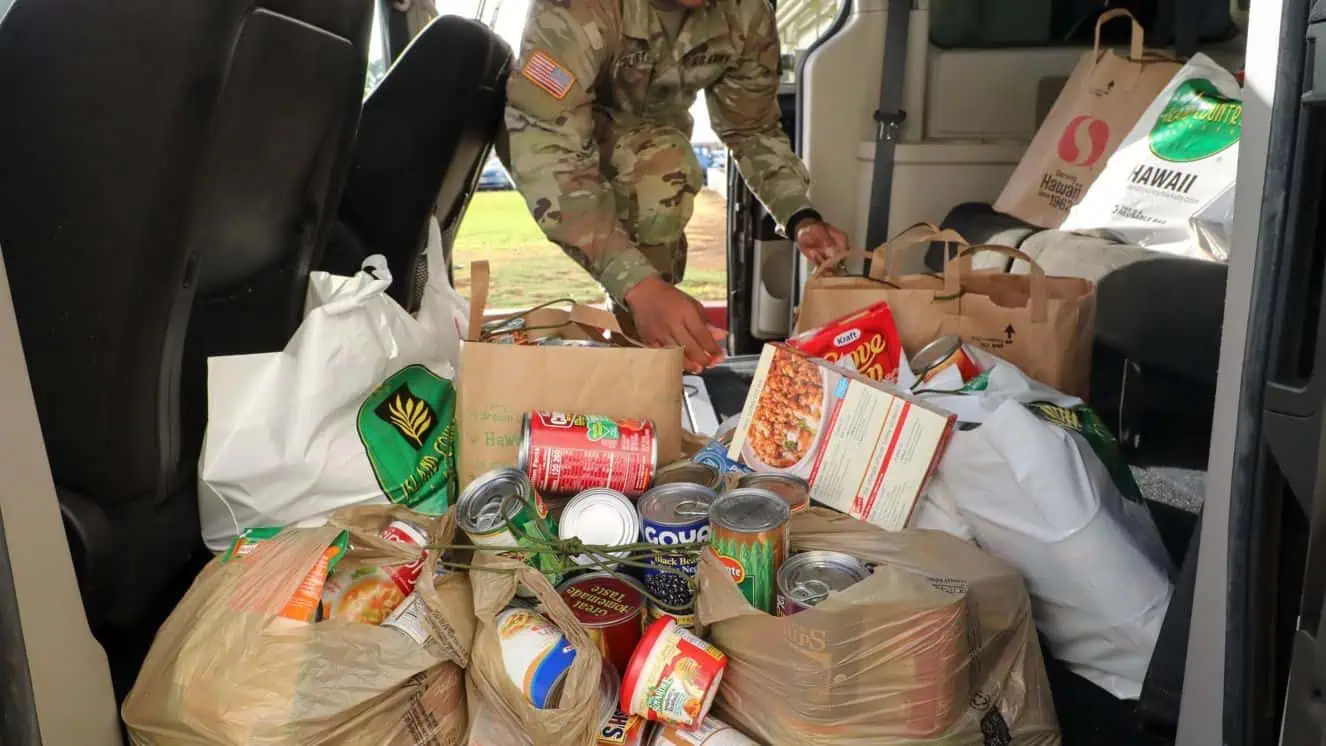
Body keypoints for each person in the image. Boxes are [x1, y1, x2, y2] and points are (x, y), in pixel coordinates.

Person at [501, 0, 850, 371]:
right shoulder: (576, 9)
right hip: (555, 138)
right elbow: (547, 146)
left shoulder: (746, 13)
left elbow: (751, 129)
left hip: (656, 155)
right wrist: (638, 285)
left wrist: (799, 214)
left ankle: (645, 362)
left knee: (665, 169)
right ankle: (643, 352)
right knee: (662, 166)